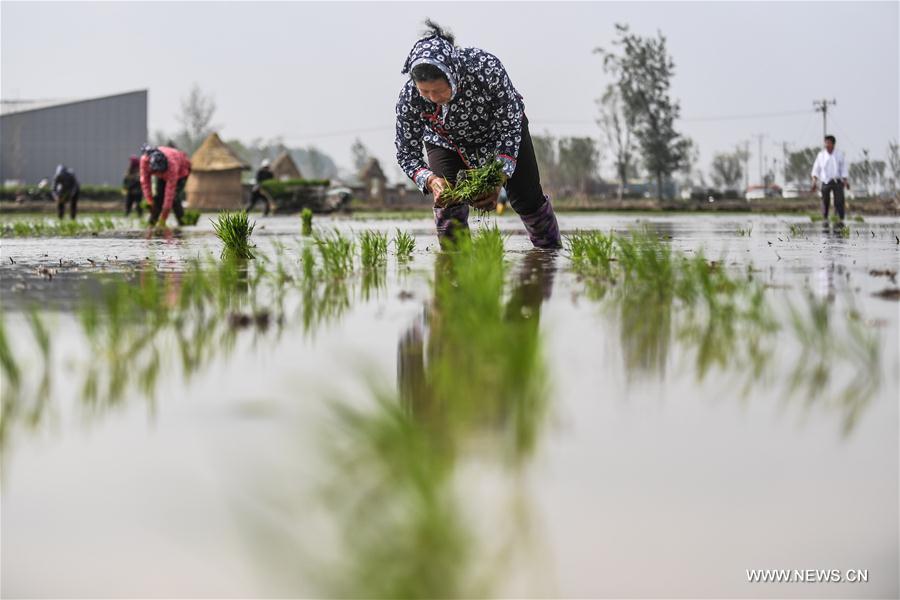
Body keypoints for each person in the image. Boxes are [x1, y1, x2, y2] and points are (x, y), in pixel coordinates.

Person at [394, 20, 561, 248]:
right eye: (425, 92)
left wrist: (498, 178)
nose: (432, 98)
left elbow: (510, 124)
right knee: (448, 200)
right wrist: (431, 180)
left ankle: (549, 254)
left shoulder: (486, 69)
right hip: (445, 142)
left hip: (501, 136)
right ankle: (454, 267)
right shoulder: (410, 98)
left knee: (527, 198)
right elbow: (406, 154)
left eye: (439, 90)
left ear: (453, 75)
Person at [139, 144, 192, 227]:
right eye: (156, 172)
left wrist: (163, 218)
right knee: (158, 197)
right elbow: (145, 182)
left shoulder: (172, 167)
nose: (159, 174)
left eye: (160, 172)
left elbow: (169, 195)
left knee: (174, 197)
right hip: (166, 168)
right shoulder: (145, 160)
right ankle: (151, 223)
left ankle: (182, 222)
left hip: (181, 170)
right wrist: (149, 200)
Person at [810, 134, 849, 221]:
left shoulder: (839, 154)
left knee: (839, 202)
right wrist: (814, 182)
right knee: (825, 201)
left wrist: (846, 181)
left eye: (828, 143)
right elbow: (816, 169)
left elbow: (844, 169)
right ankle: (825, 218)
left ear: (833, 144)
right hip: (826, 182)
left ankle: (840, 219)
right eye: (825, 143)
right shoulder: (821, 155)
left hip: (837, 182)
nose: (826, 145)